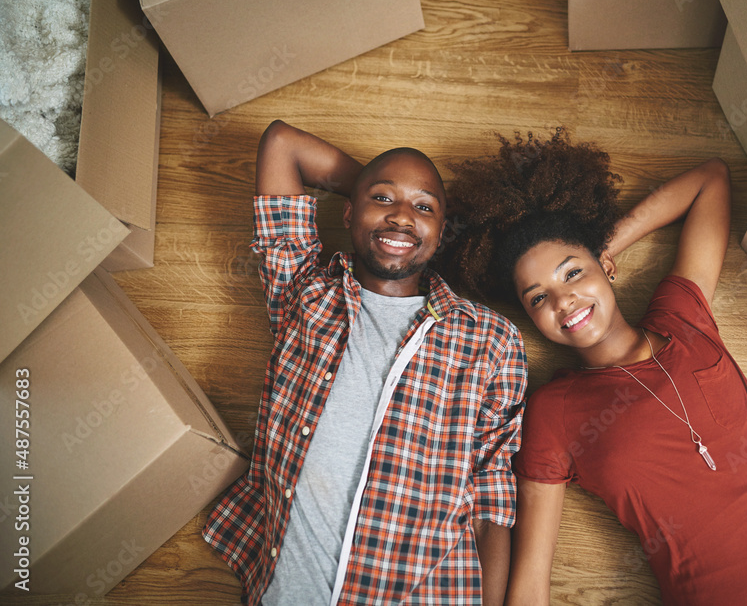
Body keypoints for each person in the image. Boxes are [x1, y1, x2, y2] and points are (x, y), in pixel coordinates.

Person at [438, 130, 747, 606]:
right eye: (537, 297)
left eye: (573, 272)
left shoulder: (683, 319)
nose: (563, 299)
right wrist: (585, 260)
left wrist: (605, 244)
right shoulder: (554, 412)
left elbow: (710, 181)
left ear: (605, 267)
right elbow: (531, 579)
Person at [203, 120, 527, 606]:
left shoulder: (490, 338)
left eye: (424, 208)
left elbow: (492, 491)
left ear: (442, 232)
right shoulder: (304, 293)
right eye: (382, 198)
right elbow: (282, 144)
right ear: (349, 212)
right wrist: (388, 207)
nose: (401, 217)